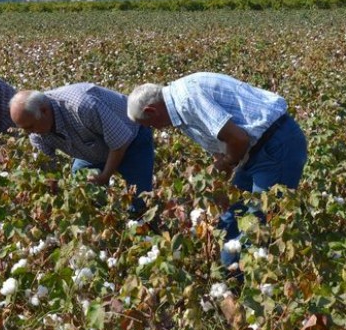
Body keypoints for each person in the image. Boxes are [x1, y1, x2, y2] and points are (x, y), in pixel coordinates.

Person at [127, 72, 308, 268]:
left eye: (149, 125)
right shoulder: (180, 109)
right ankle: (231, 281)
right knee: (229, 222)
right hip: (252, 152)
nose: (155, 129)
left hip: (277, 145)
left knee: (256, 226)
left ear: (151, 111)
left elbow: (238, 140)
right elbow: (221, 148)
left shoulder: (187, 99)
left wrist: (227, 163)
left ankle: (253, 284)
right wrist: (220, 189)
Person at [9, 83, 154, 214]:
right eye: (24, 129)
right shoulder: (35, 130)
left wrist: (105, 176)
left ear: (44, 111)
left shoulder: (82, 106)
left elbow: (120, 142)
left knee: (137, 203)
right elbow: (47, 168)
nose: (29, 133)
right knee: (82, 189)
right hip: (92, 148)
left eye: (30, 127)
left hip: (131, 138)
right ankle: (105, 217)